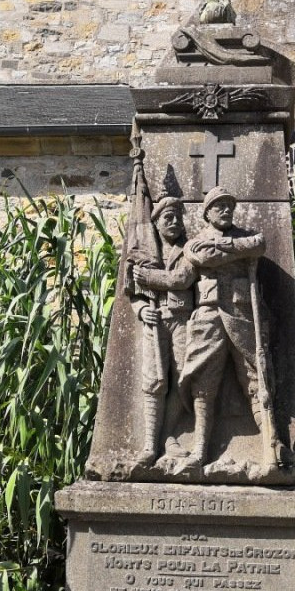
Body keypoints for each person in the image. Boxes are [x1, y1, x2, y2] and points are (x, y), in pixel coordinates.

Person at [178, 186, 286, 470]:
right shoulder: (196, 242)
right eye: (219, 206)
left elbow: (259, 244)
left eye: (229, 205)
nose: (226, 209)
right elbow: (200, 257)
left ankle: (271, 446)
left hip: (242, 314)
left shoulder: (247, 236)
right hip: (209, 315)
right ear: (207, 213)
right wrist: (236, 252)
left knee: (256, 378)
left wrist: (228, 248)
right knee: (203, 384)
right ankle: (199, 449)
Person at [130, 196, 197, 466]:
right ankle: (149, 444)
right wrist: (140, 310)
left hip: (183, 319)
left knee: (184, 378)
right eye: (167, 217)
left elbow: (183, 279)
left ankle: (169, 435)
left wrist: (149, 278)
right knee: (154, 381)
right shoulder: (145, 252)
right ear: (155, 223)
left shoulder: (190, 248)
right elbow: (132, 291)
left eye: (177, 216)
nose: (174, 222)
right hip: (155, 320)